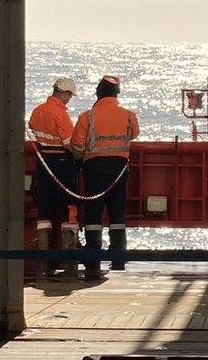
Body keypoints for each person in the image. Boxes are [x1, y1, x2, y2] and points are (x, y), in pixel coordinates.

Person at [70, 75, 140, 279]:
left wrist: (79, 157)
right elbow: (134, 134)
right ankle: (118, 257)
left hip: (94, 168)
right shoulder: (128, 115)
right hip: (118, 169)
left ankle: (93, 257)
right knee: (117, 214)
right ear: (116, 94)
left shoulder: (87, 116)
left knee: (93, 214)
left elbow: (76, 145)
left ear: (98, 93)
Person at [28, 77, 80, 277]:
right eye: (69, 96)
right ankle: (68, 256)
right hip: (62, 163)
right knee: (69, 207)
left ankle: (43, 256)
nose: (69, 100)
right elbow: (69, 142)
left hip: (43, 162)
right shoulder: (60, 114)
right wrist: (80, 155)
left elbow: (33, 128)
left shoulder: (38, 111)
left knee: (45, 207)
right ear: (65, 94)